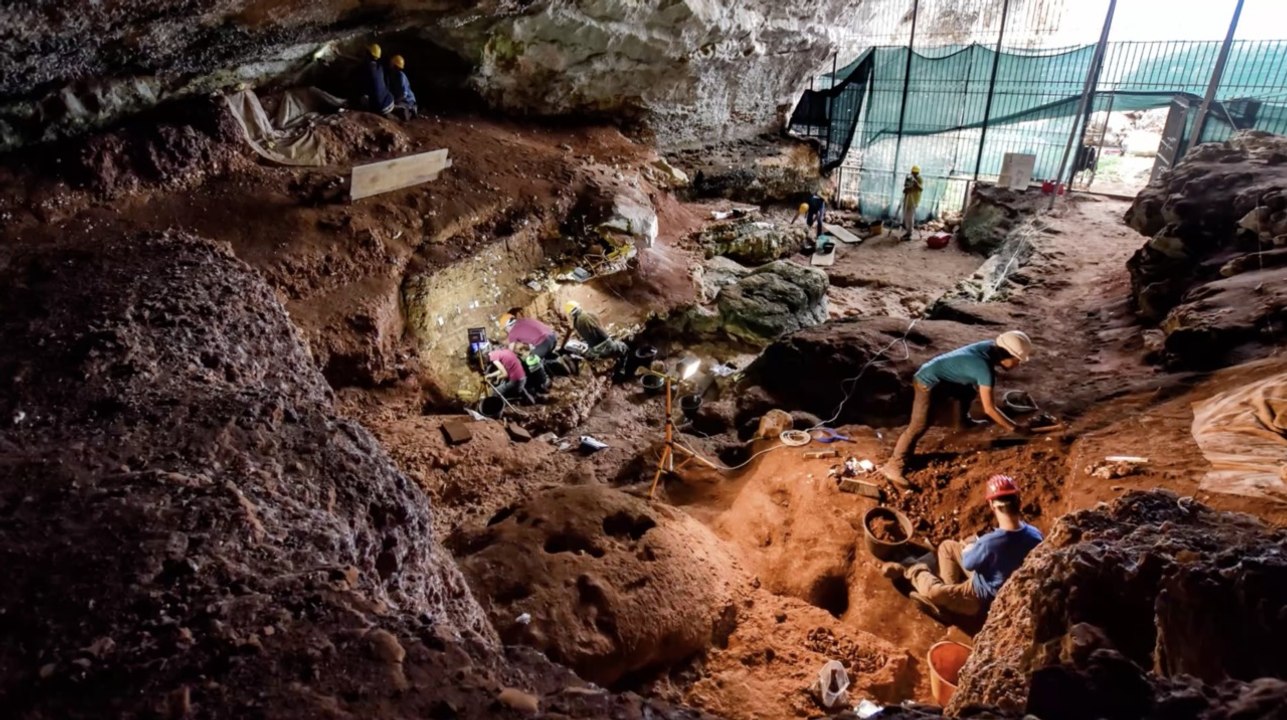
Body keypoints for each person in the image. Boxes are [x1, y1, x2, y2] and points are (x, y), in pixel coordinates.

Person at [881, 331, 1034, 490]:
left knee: (968, 391)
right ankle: (894, 465)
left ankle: (962, 422)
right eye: (1017, 360)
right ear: (1007, 355)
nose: (1018, 364)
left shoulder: (990, 347)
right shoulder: (984, 369)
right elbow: (989, 409)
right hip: (926, 381)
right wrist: (1015, 428)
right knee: (919, 425)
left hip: (945, 376)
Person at [882, 475, 1043, 619]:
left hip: (980, 599)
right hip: (992, 578)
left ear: (992, 505)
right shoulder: (1035, 535)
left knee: (933, 591)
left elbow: (968, 563)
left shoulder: (989, 543)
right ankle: (948, 597)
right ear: (1018, 501)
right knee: (947, 547)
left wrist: (969, 548)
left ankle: (910, 567)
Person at [354, 43, 394, 116]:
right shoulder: (380, 67)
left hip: (379, 108)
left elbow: (361, 87)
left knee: (362, 96)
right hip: (390, 103)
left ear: (368, 54)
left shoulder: (366, 70)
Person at [386, 54, 417, 120]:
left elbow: (403, 95)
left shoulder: (401, 76)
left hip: (407, 101)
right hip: (400, 100)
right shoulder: (392, 75)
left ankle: (409, 110)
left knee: (391, 108)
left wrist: (394, 101)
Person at [901, 166, 923, 240]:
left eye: (915, 173)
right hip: (907, 199)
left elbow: (921, 189)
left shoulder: (919, 179)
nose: (914, 174)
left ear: (918, 173)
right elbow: (906, 187)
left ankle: (909, 233)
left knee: (910, 217)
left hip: (913, 200)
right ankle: (906, 227)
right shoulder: (909, 177)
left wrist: (915, 183)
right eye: (913, 173)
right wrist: (906, 189)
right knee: (906, 215)